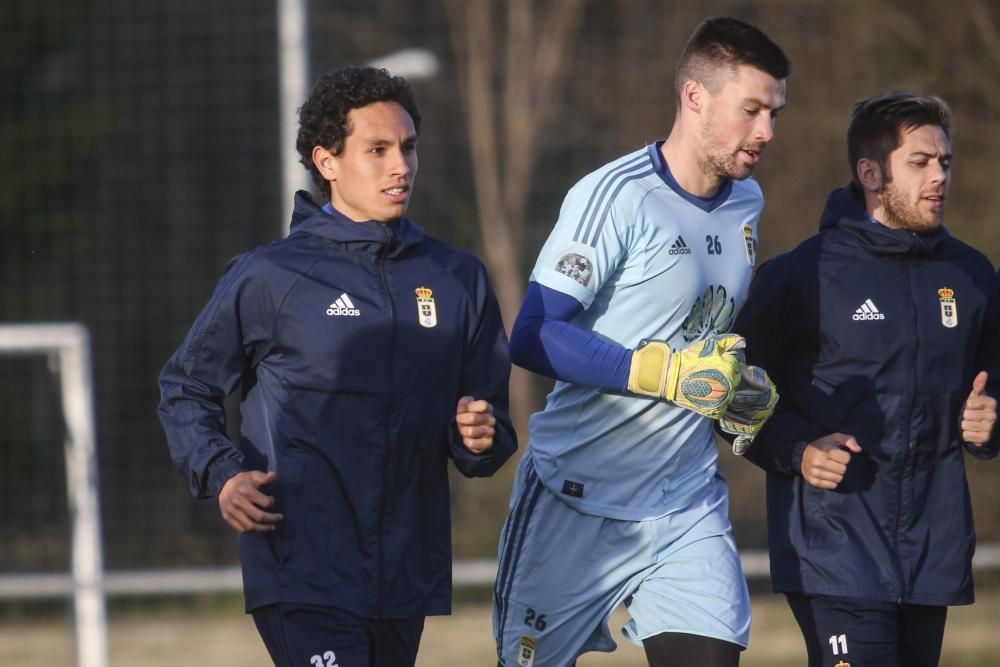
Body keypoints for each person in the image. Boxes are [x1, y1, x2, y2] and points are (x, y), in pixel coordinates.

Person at [157, 66, 517, 667]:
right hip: (303, 566)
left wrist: (479, 435)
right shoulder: (270, 275)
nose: (400, 166)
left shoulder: (457, 278)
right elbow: (185, 388)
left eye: (407, 148)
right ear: (327, 162)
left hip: (405, 574)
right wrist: (223, 475)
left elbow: (488, 428)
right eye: (376, 150)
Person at [492, 16, 789, 667]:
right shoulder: (616, 197)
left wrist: (733, 392)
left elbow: (697, 337)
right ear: (694, 97)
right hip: (575, 502)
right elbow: (532, 335)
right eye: (752, 110)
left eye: (774, 112)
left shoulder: (748, 202)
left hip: (685, 503)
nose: (766, 131)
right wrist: (659, 374)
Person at [733, 91, 1000, 667]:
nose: (939, 178)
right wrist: (798, 450)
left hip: (933, 554)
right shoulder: (802, 275)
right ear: (870, 172)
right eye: (921, 162)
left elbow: (993, 383)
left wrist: (991, 419)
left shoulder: (974, 277)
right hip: (834, 552)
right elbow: (731, 395)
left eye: (946, 162)